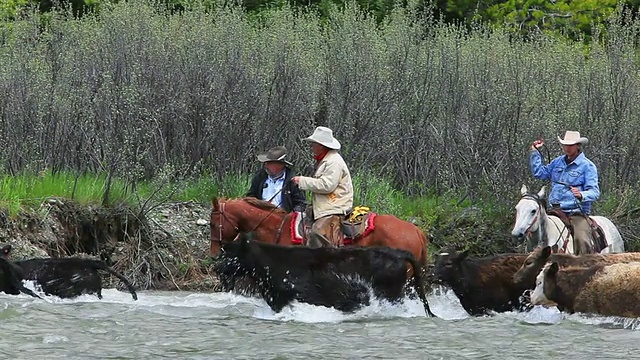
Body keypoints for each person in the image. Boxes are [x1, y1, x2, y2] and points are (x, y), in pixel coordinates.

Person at [530, 130, 600, 253]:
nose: (567, 148)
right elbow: (539, 173)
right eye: (565, 145)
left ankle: (582, 265)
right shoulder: (557, 162)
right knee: (533, 232)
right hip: (554, 210)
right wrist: (535, 152)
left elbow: (594, 192)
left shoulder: (587, 166)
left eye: (570, 145)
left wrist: (581, 195)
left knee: (581, 240)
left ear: (578, 146)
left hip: (575, 212)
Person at [292, 126, 354, 248]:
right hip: (328, 203)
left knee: (317, 232)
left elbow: (327, 185)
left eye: (314, 144)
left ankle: (326, 260)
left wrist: (302, 181)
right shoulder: (327, 160)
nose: (312, 147)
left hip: (335, 205)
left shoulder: (333, 162)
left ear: (321, 145)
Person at [246, 146, 307, 213]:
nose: (266, 166)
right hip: (260, 217)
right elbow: (251, 196)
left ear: (280, 165)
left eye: (269, 163)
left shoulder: (293, 181)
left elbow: (301, 203)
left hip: (283, 219)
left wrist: (291, 216)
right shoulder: (260, 177)